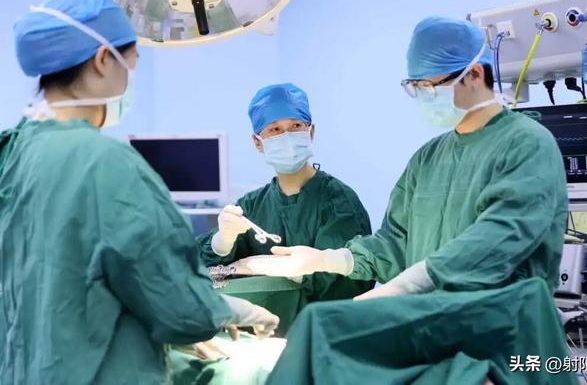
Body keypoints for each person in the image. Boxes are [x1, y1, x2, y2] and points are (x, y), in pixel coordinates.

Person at [0, 0, 278, 385]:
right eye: (129, 64)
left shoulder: (12, 151)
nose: (129, 78)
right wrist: (228, 311)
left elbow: (64, 281)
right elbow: (178, 304)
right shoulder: (106, 164)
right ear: (102, 60)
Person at [239, 16, 568, 299]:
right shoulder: (428, 159)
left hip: (505, 330)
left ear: (475, 75)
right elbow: (393, 243)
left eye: (431, 86)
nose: (424, 96)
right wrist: (329, 260)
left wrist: (405, 287)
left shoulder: (527, 145)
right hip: (434, 327)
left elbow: (496, 244)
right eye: (416, 86)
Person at [199, 83, 373, 322]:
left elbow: (347, 287)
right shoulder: (250, 206)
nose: (287, 137)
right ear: (258, 143)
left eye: (296, 126)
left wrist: (296, 273)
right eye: (275, 129)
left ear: (311, 132)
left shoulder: (339, 202)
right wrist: (222, 243)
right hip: (260, 331)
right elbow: (201, 275)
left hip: (321, 331)